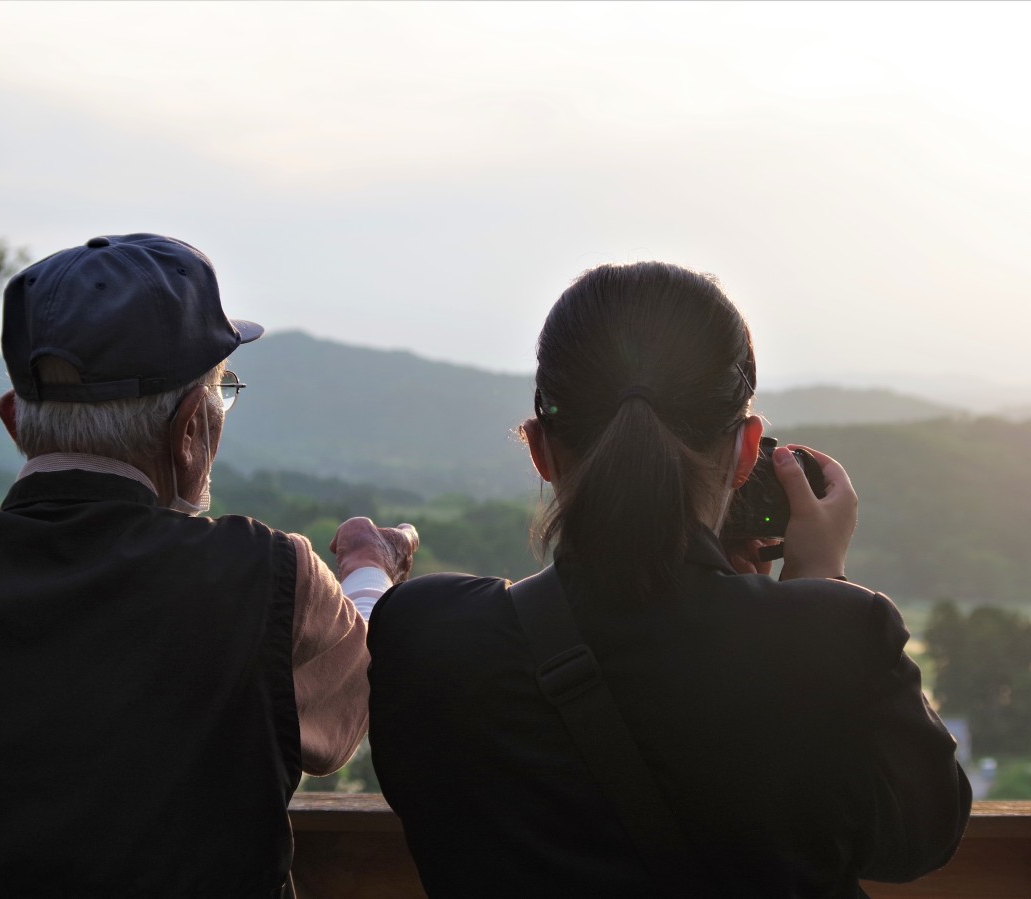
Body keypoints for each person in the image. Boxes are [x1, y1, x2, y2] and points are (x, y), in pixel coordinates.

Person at [0, 233, 418, 897]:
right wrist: (370, 571)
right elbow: (348, 702)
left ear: (11, 420)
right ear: (191, 431)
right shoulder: (264, 575)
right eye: (220, 395)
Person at [367, 262, 970, 898]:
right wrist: (816, 591)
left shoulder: (425, 633)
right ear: (746, 451)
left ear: (541, 448)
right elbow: (917, 841)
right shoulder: (837, 633)